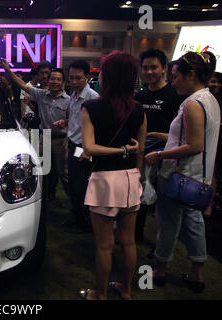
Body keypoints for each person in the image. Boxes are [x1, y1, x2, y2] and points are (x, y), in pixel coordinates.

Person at [145, 52, 220, 294]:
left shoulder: (191, 103)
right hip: (199, 177)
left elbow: (194, 145)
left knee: (169, 224)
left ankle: (160, 268)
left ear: (191, 75)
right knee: (194, 223)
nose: (173, 81)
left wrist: (158, 155)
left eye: (176, 76)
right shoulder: (210, 100)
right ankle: (197, 273)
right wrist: (164, 137)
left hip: (179, 177)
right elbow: (198, 140)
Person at [79, 50, 147, 300]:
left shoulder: (91, 107)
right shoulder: (139, 110)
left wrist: (119, 150)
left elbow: (89, 148)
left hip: (105, 180)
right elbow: (139, 150)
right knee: (128, 241)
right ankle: (126, 290)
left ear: (106, 77)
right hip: (131, 178)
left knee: (105, 244)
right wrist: (137, 173)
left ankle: (100, 293)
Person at [1, 58, 70, 201]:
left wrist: (66, 121)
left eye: (58, 79)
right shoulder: (41, 95)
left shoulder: (68, 100)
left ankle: (76, 209)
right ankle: (42, 200)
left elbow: (75, 119)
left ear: (63, 82)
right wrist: (8, 70)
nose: (54, 81)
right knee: (42, 171)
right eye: (52, 78)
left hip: (61, 141)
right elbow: (23, 85)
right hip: (44, 138)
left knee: (63, 175)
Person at [134, 49, 184, 243]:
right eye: (145, 68)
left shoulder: (174, 95)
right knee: (140, 197)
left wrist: (158, 136)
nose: (149, 72)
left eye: (154, 67)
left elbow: (182, 133)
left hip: (166, 157)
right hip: (142, 155)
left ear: (164, 68)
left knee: (164, 204)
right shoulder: (141, 95)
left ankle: (162, 247)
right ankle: (136, 235)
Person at [53, 60, 99, 233]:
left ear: (87, 77)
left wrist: (88, 150)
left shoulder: (93, 98)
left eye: (78, 78)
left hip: (84, 147)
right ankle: (76, 216)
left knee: (82, 185)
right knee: (73, 183)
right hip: (72, 144)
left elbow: (97, 126)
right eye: (71, 78)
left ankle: (85, 221)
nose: (73, 81)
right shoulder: (74, 94)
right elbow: (75, 119)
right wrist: (64, 122)